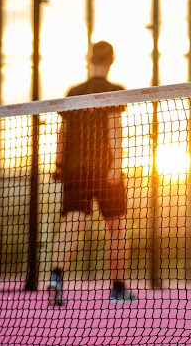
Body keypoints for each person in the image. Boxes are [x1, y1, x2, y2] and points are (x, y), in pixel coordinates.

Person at [47, 41, 136, 306]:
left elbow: (62, 134)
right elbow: (114, 129)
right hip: (104, 170)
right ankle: (118, 289)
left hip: (75, 170)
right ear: (112, 60)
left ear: (89, 59)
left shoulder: (73, 92)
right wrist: (116, 166)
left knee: (72, 223)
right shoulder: (114, 91)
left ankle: (55, 278)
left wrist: (59, 166)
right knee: (117, 228)